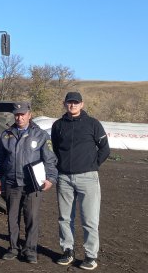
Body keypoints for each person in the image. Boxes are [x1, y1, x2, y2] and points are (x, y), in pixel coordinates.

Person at [0, 102, 58, 264]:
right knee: (12, 218)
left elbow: (50, 159)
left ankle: (30, 250)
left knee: (31, 218)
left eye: (22, 114)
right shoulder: (6, 135)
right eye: (17, 114)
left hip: (32, 185)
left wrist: (50, 178)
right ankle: (13, 247)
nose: (19, 117)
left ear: (29, 114)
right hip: (11, 183)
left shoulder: (41, 135)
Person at [51, 92, 110, 270]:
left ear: (82, 104)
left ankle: (90, 256)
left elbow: (104, 149)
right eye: (70, 102)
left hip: (88, 178)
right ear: (64, 104)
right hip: (64, 178)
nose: (73, 105)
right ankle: (67, 250)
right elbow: (56, 147)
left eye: (76, 102)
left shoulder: (93, 124)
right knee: (65, 217)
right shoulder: (58, 125)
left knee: (90, 219)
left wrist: (92, 165)